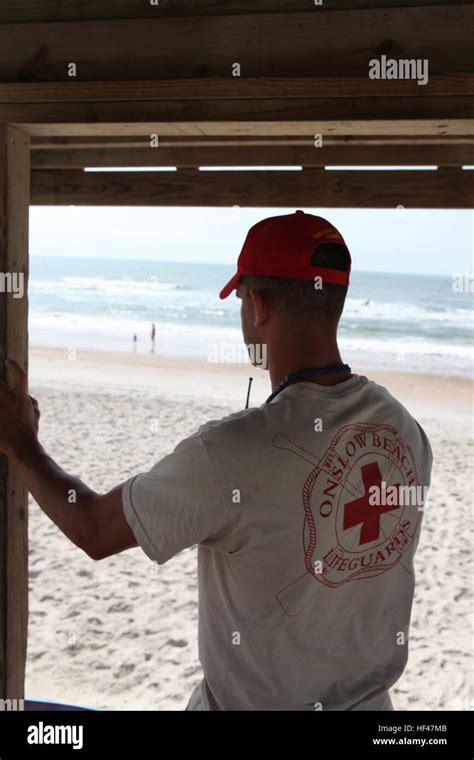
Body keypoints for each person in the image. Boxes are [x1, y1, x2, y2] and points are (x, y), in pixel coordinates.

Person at [0, 211, 432, 711]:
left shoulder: (231, 452)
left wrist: (21, 444)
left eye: (242, 299)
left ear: (259, 305)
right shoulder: (404, 431)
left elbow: (93, 529)